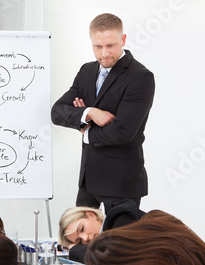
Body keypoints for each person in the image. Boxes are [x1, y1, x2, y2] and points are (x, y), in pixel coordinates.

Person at [51, 13, 155, 208]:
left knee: (118, 239)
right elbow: (57, 112)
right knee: (77, 237)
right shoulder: (86, 71)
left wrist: (86, 131)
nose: (104, 53)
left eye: (110, 46)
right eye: (98, 47)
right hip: (88, 181)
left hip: (121, 182)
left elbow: (122, 131)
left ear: (123, 40)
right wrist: (90, 112)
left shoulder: (140, 77)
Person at [58, 198, 144, 262]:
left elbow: (110, 261)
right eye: (79, 241)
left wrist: (75, 248)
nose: (85, 238)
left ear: (91, 215)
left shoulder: (120, 215)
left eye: (82, 229)